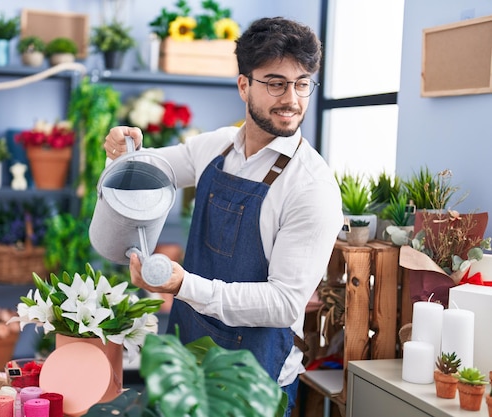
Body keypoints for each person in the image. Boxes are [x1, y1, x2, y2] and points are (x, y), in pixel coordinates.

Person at [103, 16, 343, 415]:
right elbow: (143, 173)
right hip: (186, 365)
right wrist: (120, 149)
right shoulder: (216, 148)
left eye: (302, 83)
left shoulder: (311, 186)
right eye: (275, 83)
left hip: (252, 383)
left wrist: (185, 286)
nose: (293, 99)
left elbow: (284, 304)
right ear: (244, 85)